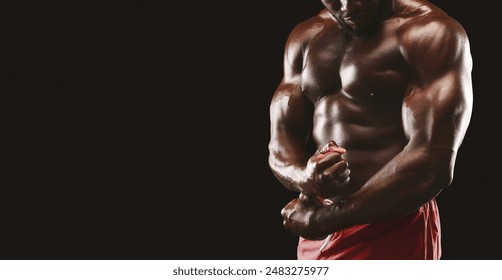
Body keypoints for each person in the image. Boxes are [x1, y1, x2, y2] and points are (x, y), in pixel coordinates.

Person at [268, 0, 473, 260]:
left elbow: (432, 163)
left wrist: (325, 221)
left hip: (394, 224)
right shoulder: (307, 36)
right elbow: (281, 138)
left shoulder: (430, 32)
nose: (347, 5)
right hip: (318, 225)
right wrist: (305, 177)